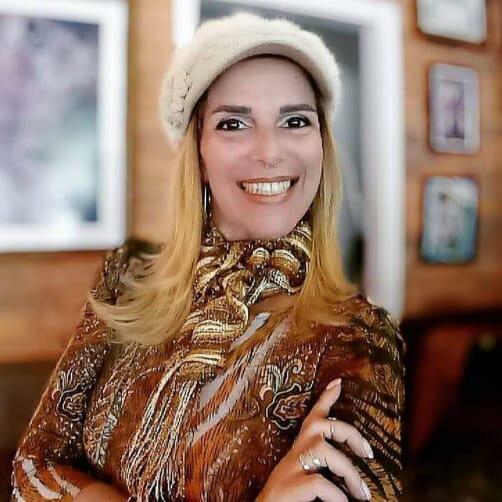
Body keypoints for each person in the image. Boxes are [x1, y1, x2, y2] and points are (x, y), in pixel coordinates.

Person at [10, 12, 406, 502]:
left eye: (295, 121)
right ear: (197, 152)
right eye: (234, 123)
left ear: (321, 145)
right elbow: (34, 467)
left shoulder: (358, 338)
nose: (270, 151)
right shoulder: (127, 276)